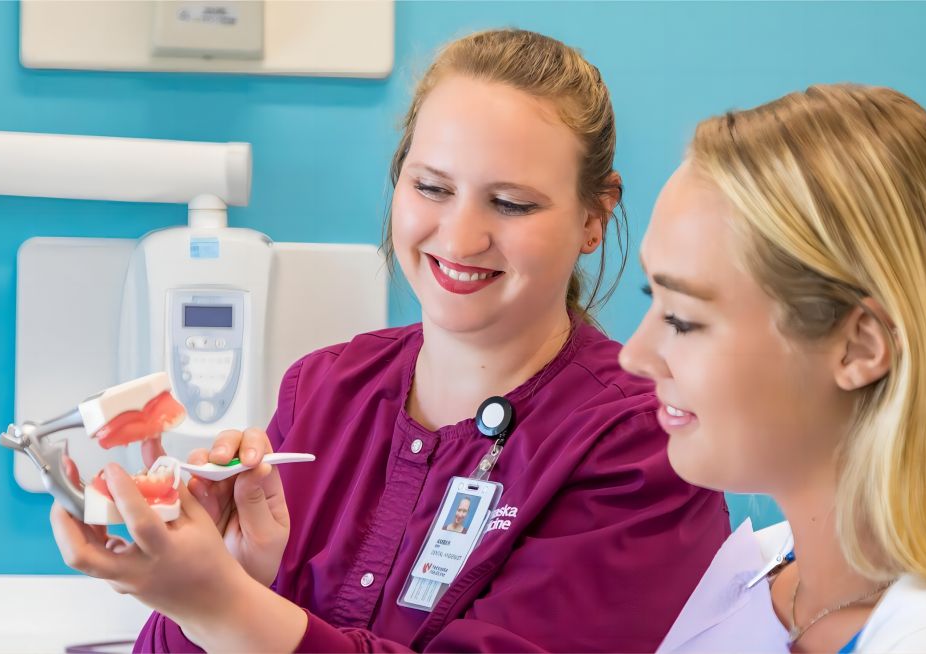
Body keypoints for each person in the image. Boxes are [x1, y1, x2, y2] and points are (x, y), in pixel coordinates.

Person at [51, 28, 731, 653]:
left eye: (512, 204)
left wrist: (221, 603)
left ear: (594, 217)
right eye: (432, 187)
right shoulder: (323, 390)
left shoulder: (647, 445)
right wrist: (229, 574)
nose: (460, 238)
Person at [620, 84, 926, 652]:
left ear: (859, 348)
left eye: (682, 319)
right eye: (649, 297)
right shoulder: (766, 564)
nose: (634, 354)